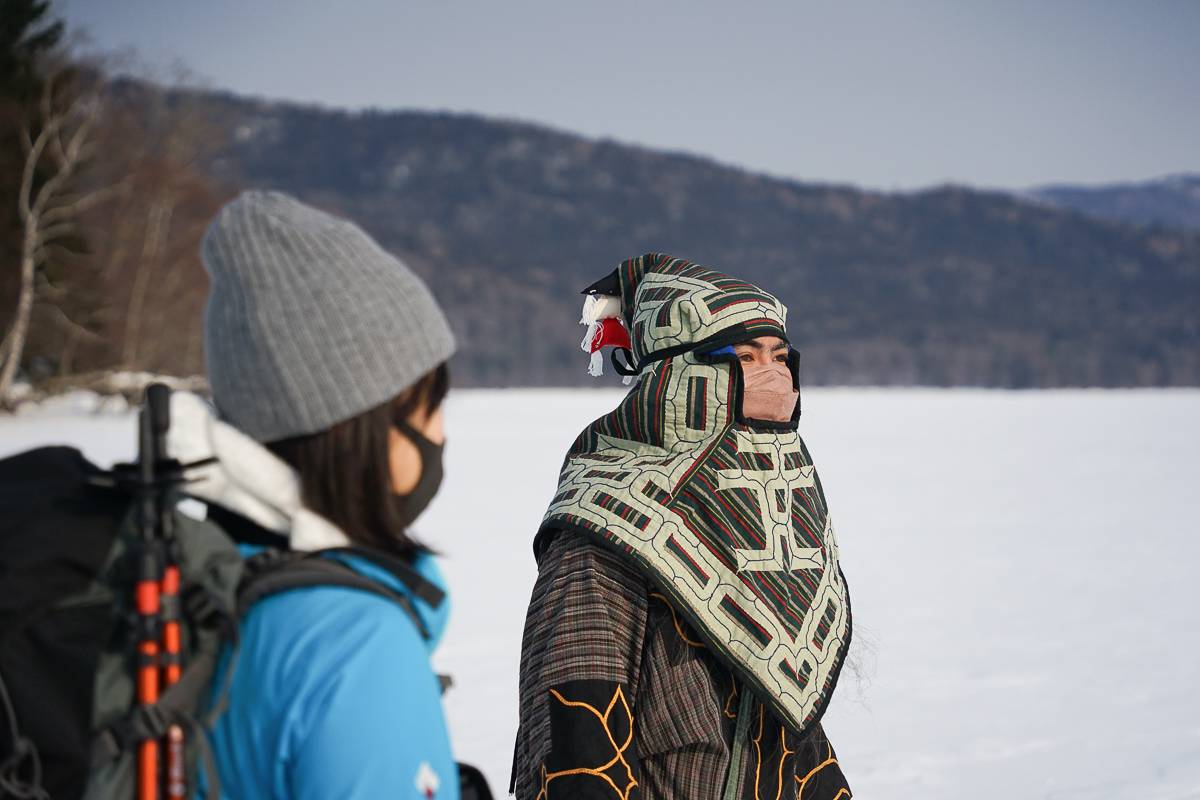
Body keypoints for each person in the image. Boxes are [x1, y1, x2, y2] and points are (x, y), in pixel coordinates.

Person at [512, 253, 854, 799]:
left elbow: (790, 712)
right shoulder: (604, 523)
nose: (771, 372)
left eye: (779, 356)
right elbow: (577, 729)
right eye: (744, 356)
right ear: (683, 371)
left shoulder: (783, 507)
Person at [188, 190, 462, 799]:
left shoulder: (203, 582)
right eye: (429, 406)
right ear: (357, 427)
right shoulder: (354, 644)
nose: (441, 433)